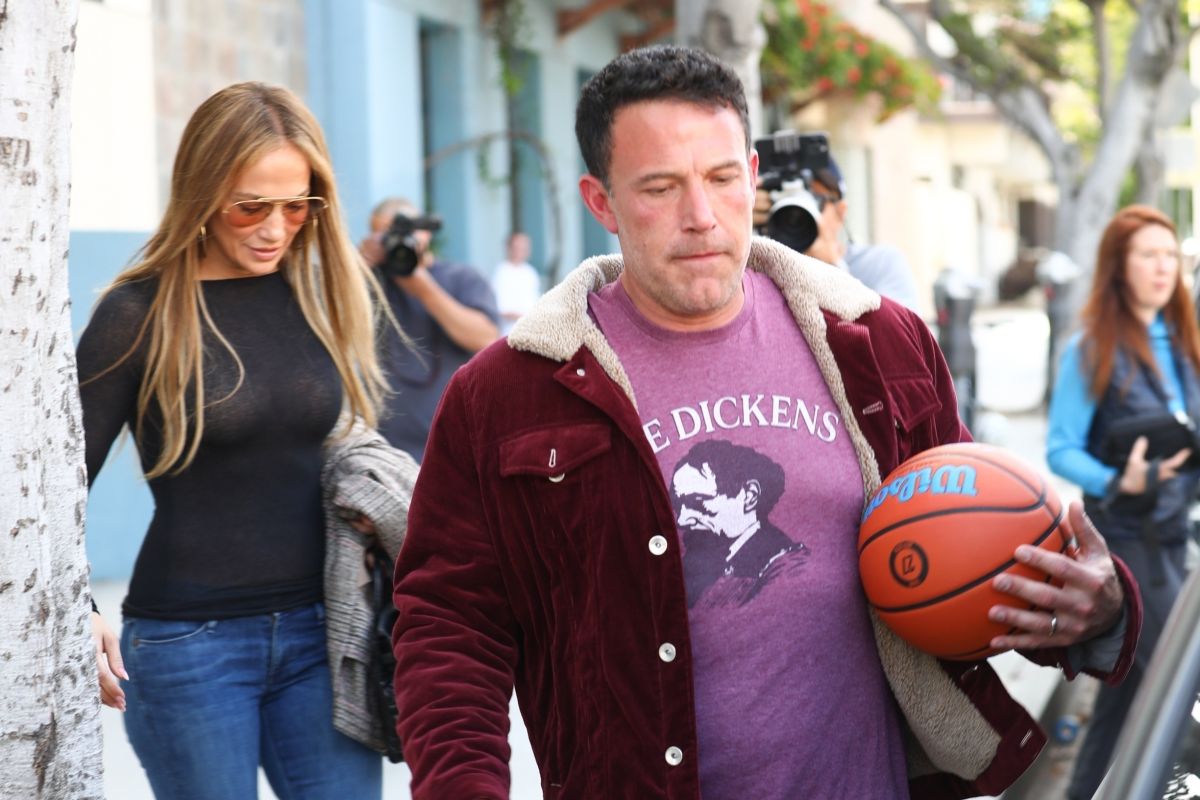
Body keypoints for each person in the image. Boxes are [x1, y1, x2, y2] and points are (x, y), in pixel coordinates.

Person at [392, 45, 1141, 800]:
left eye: (721, 179)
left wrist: (1096, 610)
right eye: (660, 187)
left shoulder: (878, 342)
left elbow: (976, 550)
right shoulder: (510, 393)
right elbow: (450, 622)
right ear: (601, 202)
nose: (701, 216)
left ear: (751, 177)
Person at [78, 82, 390, 799]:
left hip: (323, 634)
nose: (275, 229)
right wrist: (79, 607)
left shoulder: (318, 295)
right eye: (251, 206)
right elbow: (53, 491)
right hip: (191, 645)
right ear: (203, 191)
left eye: (297, 207)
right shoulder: (138, 313)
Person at [1046, 205, 1200, 800]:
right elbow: (1061, 449)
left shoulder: (1183, 345)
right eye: (1147, 255)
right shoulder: (1092, 349)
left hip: (1174, 541)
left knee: (1126, 705)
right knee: (1178, 687)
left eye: (1170, 256)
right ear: (1119, 266)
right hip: (1125, 548)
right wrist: (1118, 479)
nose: (1162, 267)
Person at [360, 197, 500, 461]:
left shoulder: (462, 278)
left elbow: (485, 338)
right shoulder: (366, 281)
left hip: (451, 448)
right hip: (381, 453)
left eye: (406, 231)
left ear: (425, 232)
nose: (398, 240)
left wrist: (422, 286)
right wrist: (357, 264)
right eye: (387, 234)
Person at [754, 152, 922, 311]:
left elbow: (901, 331)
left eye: (814, 201)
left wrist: (832, 270)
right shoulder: (752, 270)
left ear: (840, 212)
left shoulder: (879, 264)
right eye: (781, 200)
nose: (794, 214)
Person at [491, 231, 542, 335]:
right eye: (517, 247)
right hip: (509, 332)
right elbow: (499, 309)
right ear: (509, 248)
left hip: (531, 332)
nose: (521, 251)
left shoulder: (531, 273)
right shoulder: (502, 272)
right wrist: (524, 317)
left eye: (524, 248)